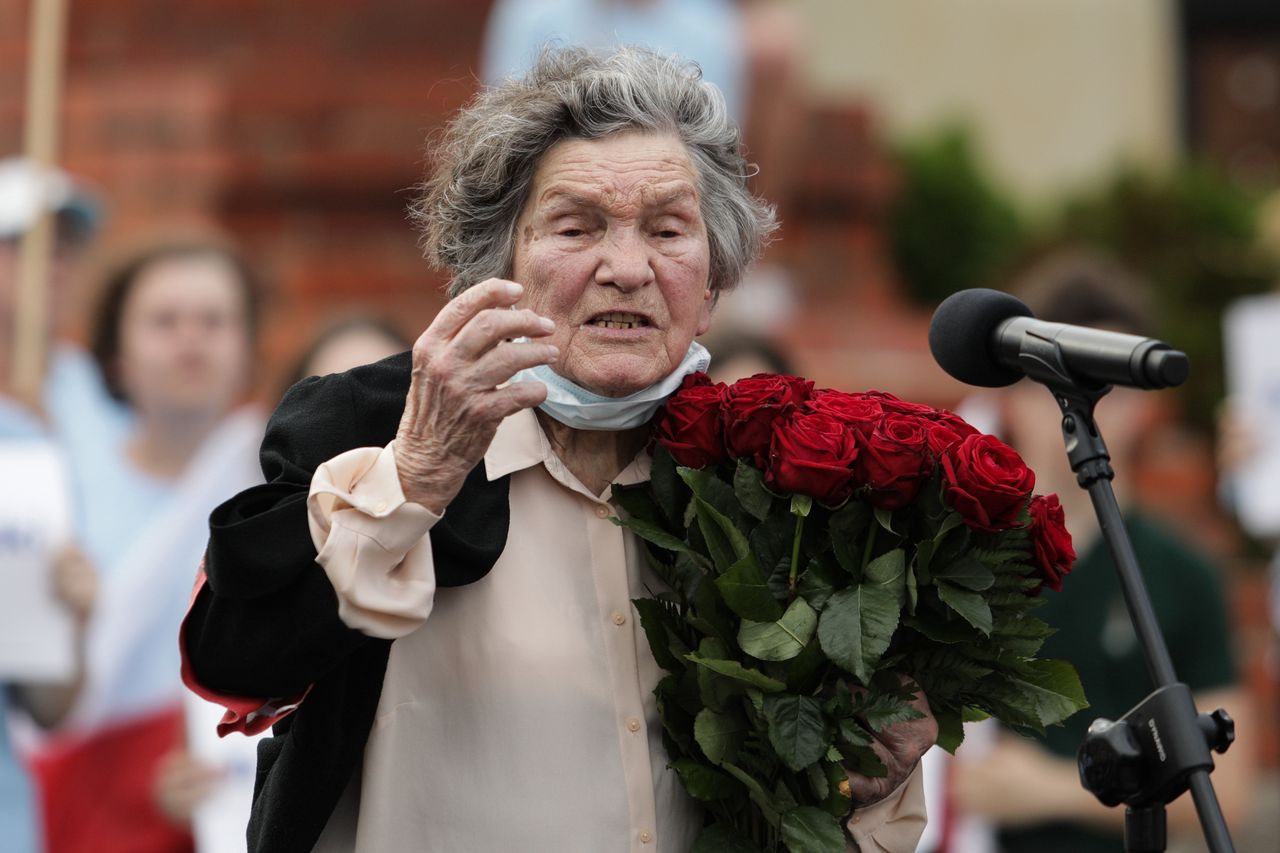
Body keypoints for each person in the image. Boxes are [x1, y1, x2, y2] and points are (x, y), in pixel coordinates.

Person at [181, 46, 936, 853]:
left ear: (712, 283)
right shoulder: (371, 422)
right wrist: (416, 473)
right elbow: (233, 659)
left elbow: (809, 796)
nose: (626, 268)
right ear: (496, 264)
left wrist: (854, 779)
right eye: (577, 227)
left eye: (668, 229)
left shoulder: (771, 472)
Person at [948, 249, 1256, 853]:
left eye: (1103, 384)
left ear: (1145, 402)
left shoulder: (1183, 571)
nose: (1077, 406)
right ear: (1010, 396)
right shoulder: (956, 556)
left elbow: (1234, 792)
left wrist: (1058, 789)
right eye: (1051, 384)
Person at [29, 237, 266, 853]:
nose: (191, 339)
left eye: (214, 321)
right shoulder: (57, 485)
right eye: (164, 322)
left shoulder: (282, 485)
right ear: (116, 356)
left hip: (237, 805)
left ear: (246, 351)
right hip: (81, 809)